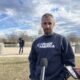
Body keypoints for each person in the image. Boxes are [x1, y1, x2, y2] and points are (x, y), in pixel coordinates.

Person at [28, 13, 75, 80]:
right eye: (45, 23)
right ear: (41, 25)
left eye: (50, 23)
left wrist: (61, 78)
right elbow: (32, 61)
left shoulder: (62, 40)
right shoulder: (36, 42)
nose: (47, 26)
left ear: (54, 24)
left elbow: (70, 63)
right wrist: (33, 77)